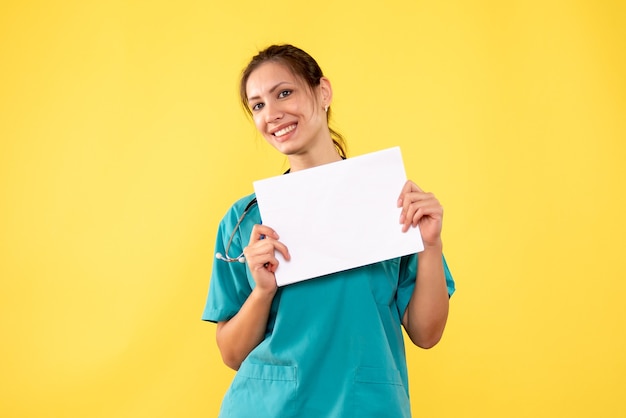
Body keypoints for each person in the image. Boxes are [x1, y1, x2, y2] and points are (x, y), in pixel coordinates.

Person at [202, 44, 455, 418]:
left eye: (283, 93)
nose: (272, 114)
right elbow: (232, 354)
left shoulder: (389, 201)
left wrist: (429, 245)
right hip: (266, 408)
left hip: (365, 406)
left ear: (323, 92)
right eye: (257, 105)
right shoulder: (246, 221)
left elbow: (427, 333)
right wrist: (262, 292)